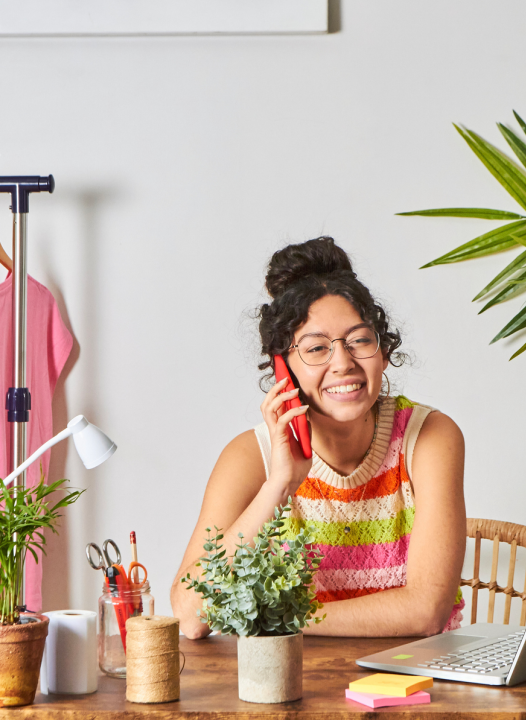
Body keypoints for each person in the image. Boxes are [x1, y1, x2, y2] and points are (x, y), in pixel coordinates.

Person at [170, 237, 466, 638]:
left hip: (412, 687)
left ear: (381, 350)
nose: (343, 363)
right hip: (293, 688)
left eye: (360, 340)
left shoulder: (429, 437)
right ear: (283, 369)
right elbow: (190, 617)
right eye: (316, 348)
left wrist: (276, 618)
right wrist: (279, 485)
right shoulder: (249, 457)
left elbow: (426, 611)